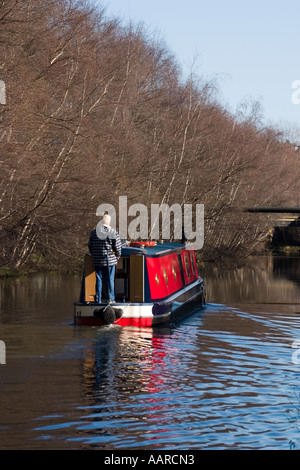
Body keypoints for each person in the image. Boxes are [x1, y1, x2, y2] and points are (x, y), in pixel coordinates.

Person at [88, 214, 122, 304]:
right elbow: (118, 247)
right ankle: (110, 299)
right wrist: (117, 256)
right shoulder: (112, 232)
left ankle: (98, 299)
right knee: (109, 280)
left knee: (98, 279)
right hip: (109, 260)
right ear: (109, 222)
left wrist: (94, 254)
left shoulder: (94, 232)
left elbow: (90, 246)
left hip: (97, 260)